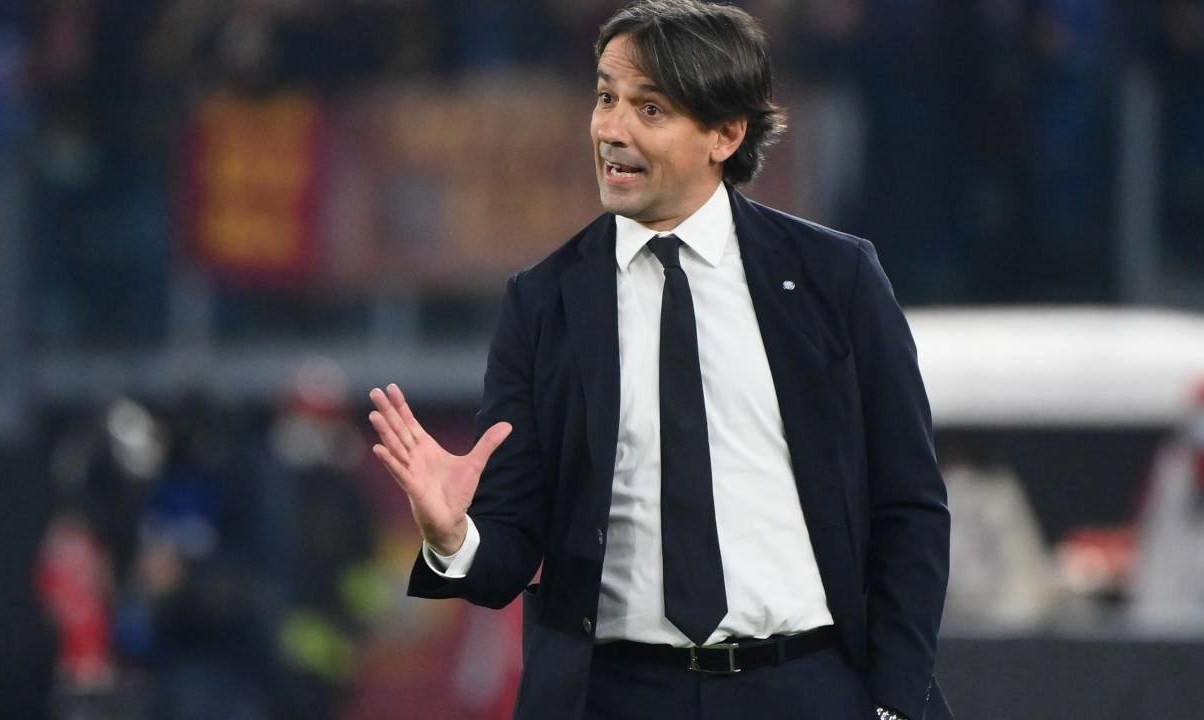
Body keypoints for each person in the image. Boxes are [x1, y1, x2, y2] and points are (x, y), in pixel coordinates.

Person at [367, 2, 951, 719]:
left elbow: (910, 508)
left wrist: (895, 703)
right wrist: (455, 537)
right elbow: (508, 554)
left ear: (725, 134)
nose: (611, 129)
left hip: (804, 687)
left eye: (649, 108)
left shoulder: (834, 278)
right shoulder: (543, 303)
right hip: (618, 697)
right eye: (605, 97)